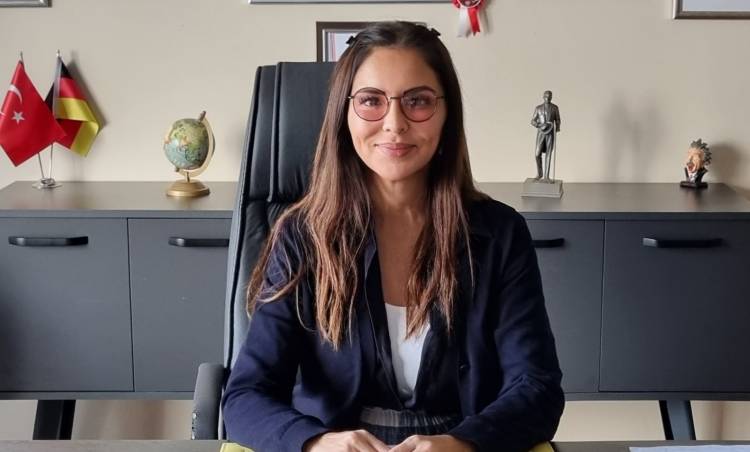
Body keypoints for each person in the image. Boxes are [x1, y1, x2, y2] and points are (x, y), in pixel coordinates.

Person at [222, 21, 564, 452]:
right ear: (344, 114)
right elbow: (245, 395)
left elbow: (537, 387)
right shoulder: (303, 236)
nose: (394, 124)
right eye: (371, 101)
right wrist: (317, 443)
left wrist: (463, 443)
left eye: (418, 101)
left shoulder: (500, 233)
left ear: (446, 113)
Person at [530, 91, 561, 181]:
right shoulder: (538, 108)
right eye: (546, 96)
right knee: (537, 154)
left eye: (549, 96)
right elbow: (532, 121)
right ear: (543, 97)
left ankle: (546, 177)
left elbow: (558, 119)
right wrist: (539, 125)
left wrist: (557, 127)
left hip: (550, 132)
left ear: (551, 97)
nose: (548, 98)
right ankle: (540, 174)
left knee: (548, 153)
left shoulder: (555, 108)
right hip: (541, 133)